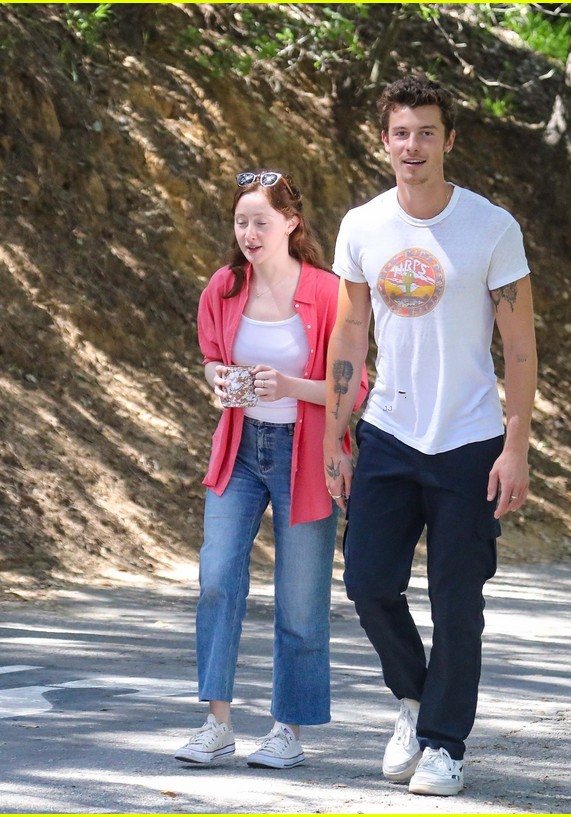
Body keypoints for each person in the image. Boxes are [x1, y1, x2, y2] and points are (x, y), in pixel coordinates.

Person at [323, 76, 537, 797]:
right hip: (387, 431)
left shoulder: (491, 227)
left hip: (471, 440)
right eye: (400, 133)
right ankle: (415, 700)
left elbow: (520, 346)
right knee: (367, 582)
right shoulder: (362, 226)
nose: (412, 145)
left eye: (426, 132)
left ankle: (445, 743)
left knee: (457, 600)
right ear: (384, 141)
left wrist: (516, 444)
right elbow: (351, 329)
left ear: (450, 140)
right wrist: (335, 431)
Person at [179, 169, 364, 770]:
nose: (250, 233)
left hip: (304, 453)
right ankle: (217, 722)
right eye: (241, 222)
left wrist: (288, 385)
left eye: (261, 220)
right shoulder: (224, 287)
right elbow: (210, 359)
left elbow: (353, 386)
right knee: (217, 578)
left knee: (301, 598)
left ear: (291, 223)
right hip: (240, 449)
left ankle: (288, 729)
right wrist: (222, 380)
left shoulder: (330, 292)